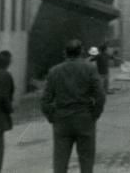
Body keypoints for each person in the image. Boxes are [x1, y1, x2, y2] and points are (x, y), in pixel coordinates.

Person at [41, 38, 105, 173]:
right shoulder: (90, 69)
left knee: (60, 163)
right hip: (84, 118)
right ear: (81, 52)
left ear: (65, 53)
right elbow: (100, 95)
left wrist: (52, 117)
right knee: (86, 162)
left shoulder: (54, 71)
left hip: (62, 120)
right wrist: (94, 114)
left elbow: (45, 100)